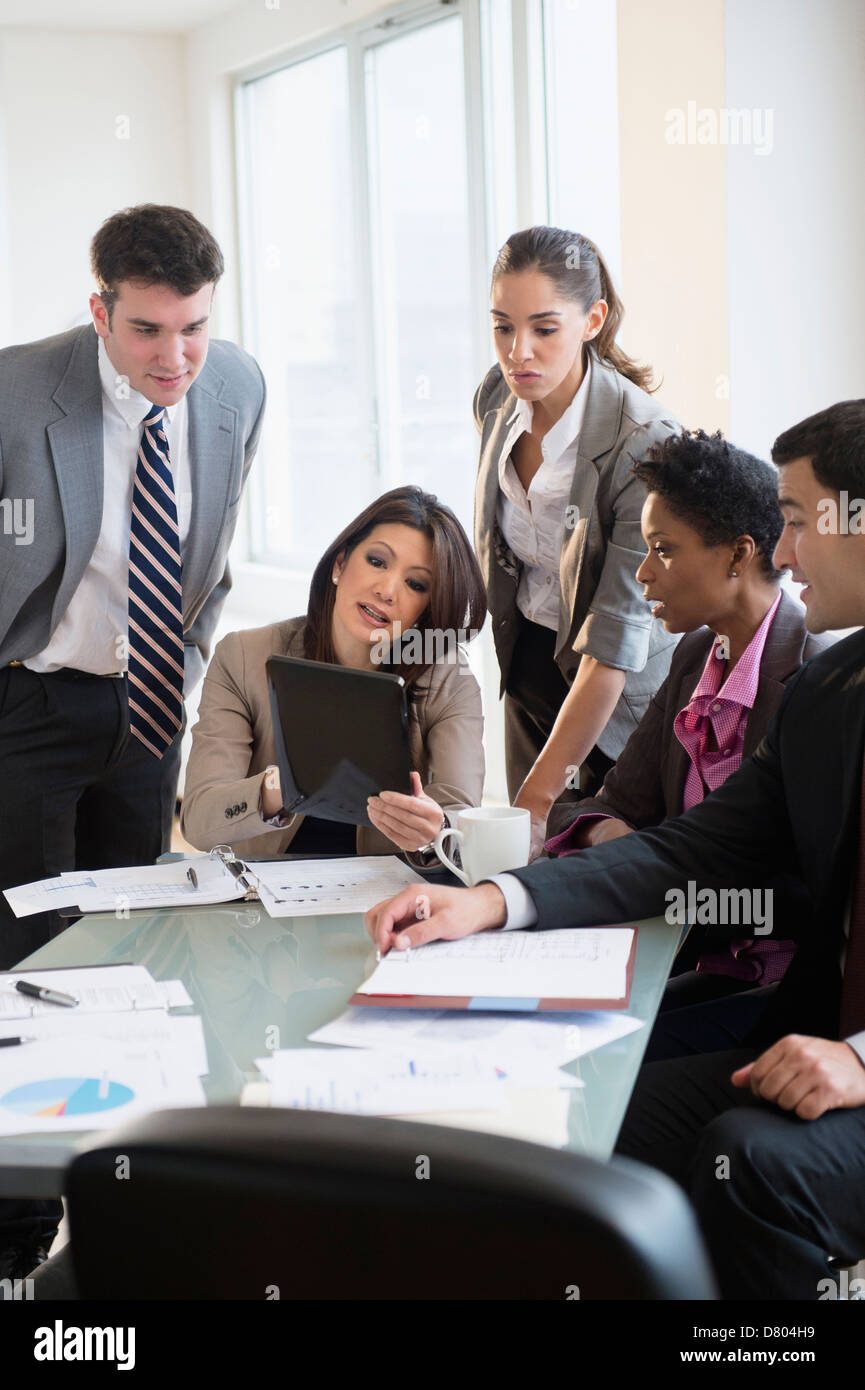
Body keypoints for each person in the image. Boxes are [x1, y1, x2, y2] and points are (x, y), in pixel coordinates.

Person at [366, 399, 865, 1301]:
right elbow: (692, 845)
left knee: (751, 1159)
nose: (784, 555)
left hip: (840, 1047)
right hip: (807, 1028)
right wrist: (488, 901)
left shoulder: (808, 670)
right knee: (587, 1108)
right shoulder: (834, 689)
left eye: (794, 524)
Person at [0, 203, 265, 1279]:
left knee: (127, 970)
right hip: (23, 705)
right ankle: (6, 1245)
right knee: (20, 972)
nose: (176, 356)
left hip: (146, 706)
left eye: (193, 326)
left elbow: (210, 553)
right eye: (148, 330)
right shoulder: (10, 391)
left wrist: (180, 685)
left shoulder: (235, 385)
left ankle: (114, 1224)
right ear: (98, 311)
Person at [545, 429, 833, 1058]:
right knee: (554, 1029)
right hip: (691, 960)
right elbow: (600, 805)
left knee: (603, 1055)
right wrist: (608, 835)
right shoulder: (697, 654)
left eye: (662, 550)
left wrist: (661, 872)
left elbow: (805, 892)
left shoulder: (818, 675)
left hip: (788, 992)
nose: (644, 573)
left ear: (737, 555)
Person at [474, 225, 681, 859]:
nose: (518, 352)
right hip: (531, 669)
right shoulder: (494, 396)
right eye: (502, 326)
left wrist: (534, 803)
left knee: (601, 881)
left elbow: (613, 647)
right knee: (533, 892)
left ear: (592, 320)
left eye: (543, 328)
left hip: (618, 702)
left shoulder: (642, 442)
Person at [181, 485, 486, 862]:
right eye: (377, 561)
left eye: (415, 584)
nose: (387, 590)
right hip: (265, 904)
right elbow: (200, 820)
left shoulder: (450, 684)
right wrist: (287, 784)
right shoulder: (245, 657)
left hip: (383, 903)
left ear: (427, 608)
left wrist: (432, 831)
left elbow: (465, 826)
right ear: (340, 564)